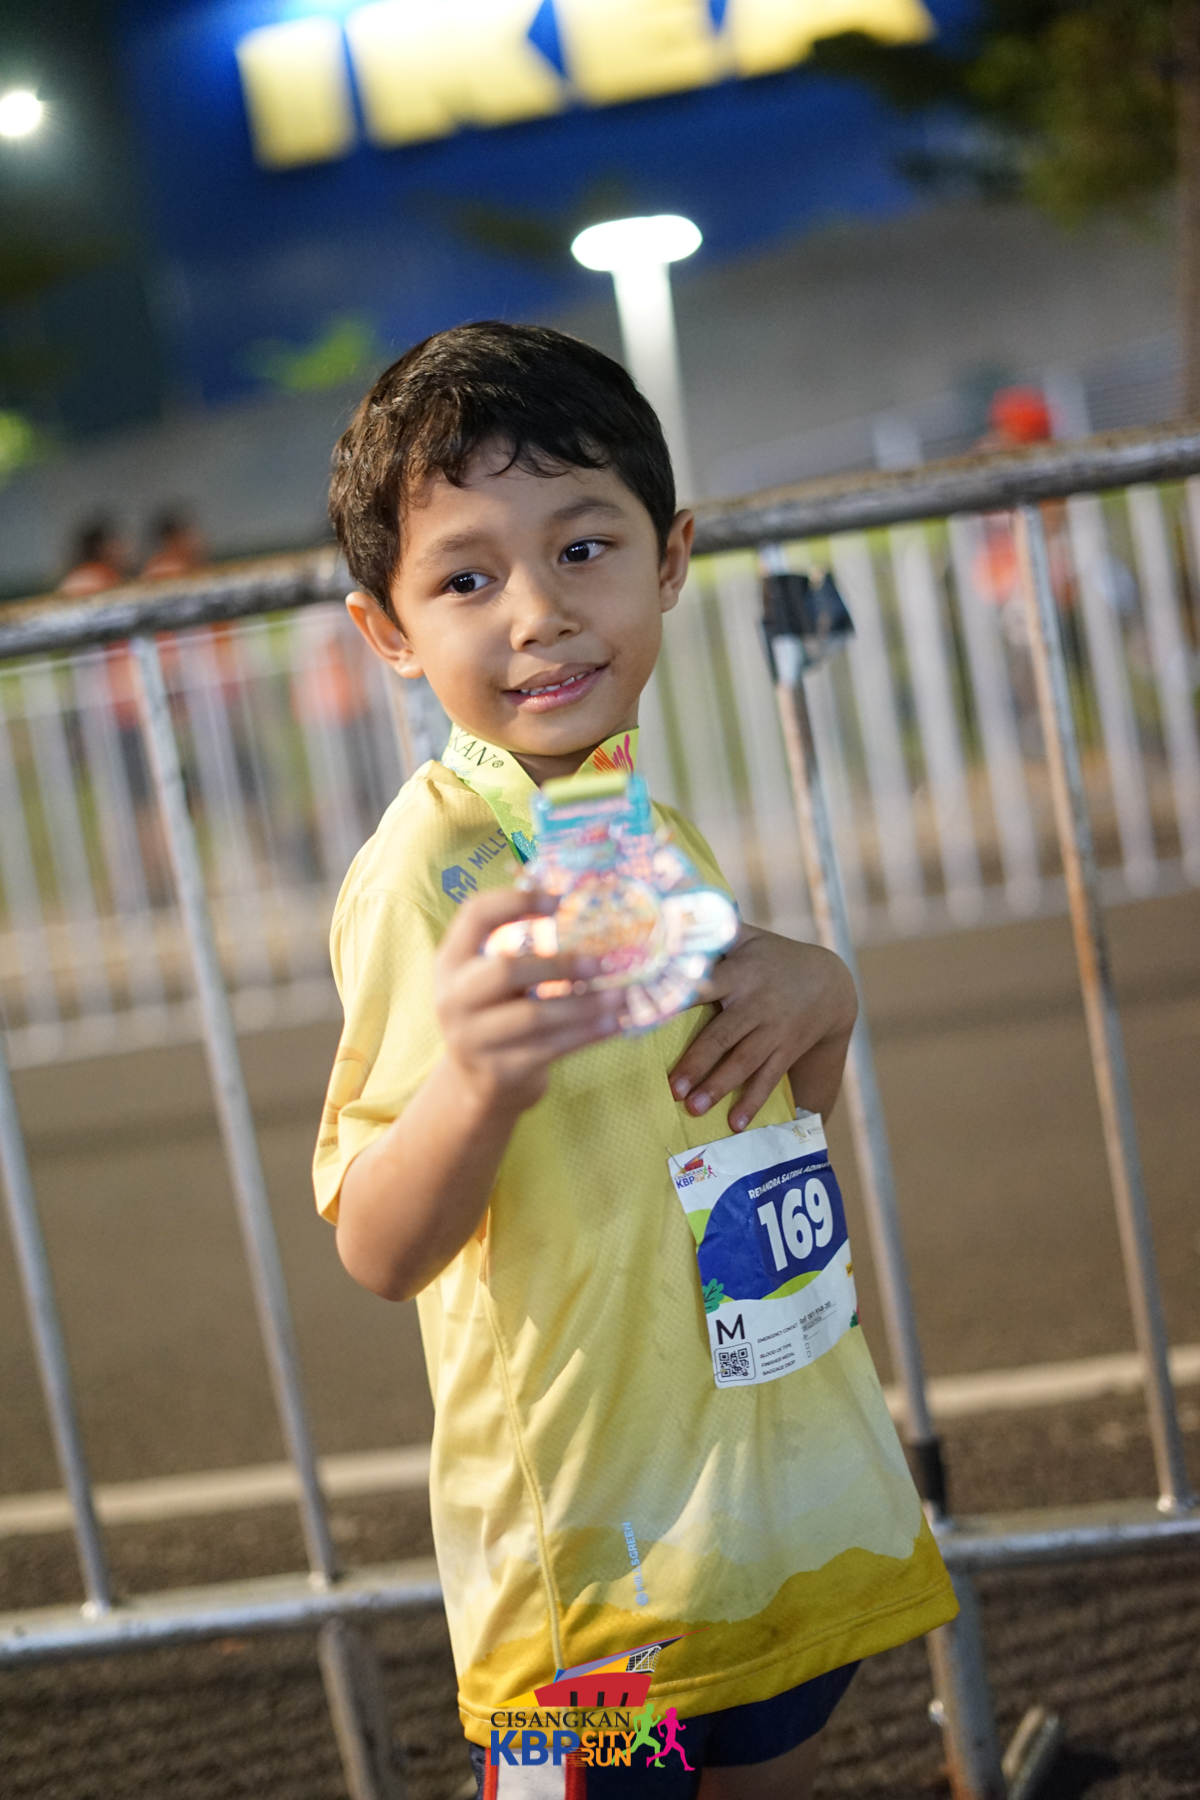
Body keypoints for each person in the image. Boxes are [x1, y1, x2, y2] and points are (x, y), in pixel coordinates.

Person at [314, 323, 956, 1798]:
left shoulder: (644, 829)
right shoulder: (427, 871)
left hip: (769, 1526)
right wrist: (477, 1085)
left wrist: (825, 1000)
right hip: (587, 1585)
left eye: (582, 548)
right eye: (467, 579)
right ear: (387, 632)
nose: (539, 613)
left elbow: (753, 1126)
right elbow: (378, 1244)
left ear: (670, 560)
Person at [57, 518, 132, 595]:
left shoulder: (80, 575)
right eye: (115, 547)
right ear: (101, 549)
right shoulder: (93, 578)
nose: (123, 550)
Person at [140, 507, 208, 579]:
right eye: (183, 535)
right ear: (171, 539)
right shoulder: (158, 566)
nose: (190, 540)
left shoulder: (196, 562)